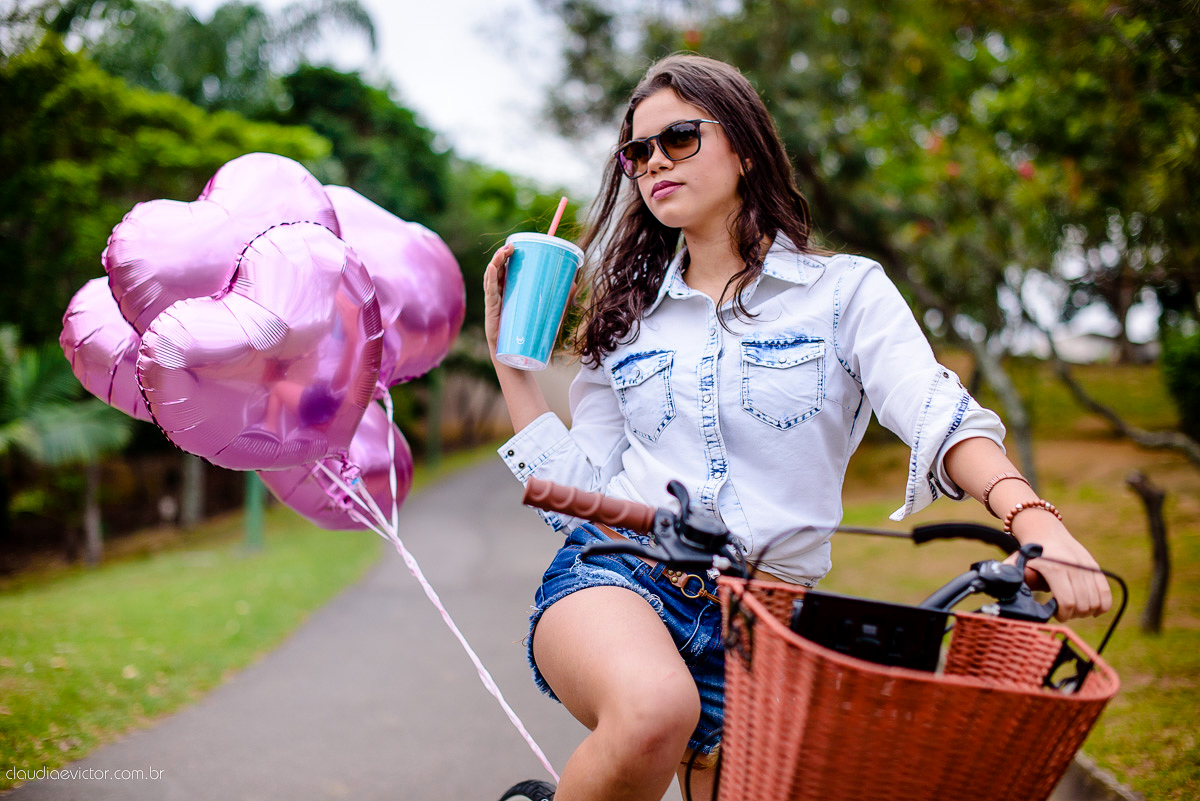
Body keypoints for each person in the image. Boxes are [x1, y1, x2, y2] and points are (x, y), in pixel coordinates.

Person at [482, 53, 1111, 801]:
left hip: (772, 625)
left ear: (745, 148)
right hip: (619, 575)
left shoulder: (844, 293)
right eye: (637, 152)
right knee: (655, 711)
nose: (653, 163)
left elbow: (936, 410)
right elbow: (576, 489)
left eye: (678, 138)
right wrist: (510, 367)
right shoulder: (629, 320)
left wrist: (1033, 518)